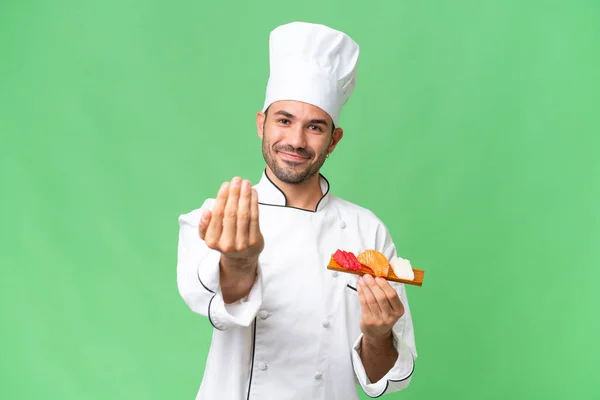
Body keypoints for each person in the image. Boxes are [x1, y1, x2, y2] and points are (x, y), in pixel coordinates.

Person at [176, 21, 418, 400]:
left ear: (334, 140)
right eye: (284, 120)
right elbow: (219, 305)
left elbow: (381, 377)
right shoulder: (219, 218)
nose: (296, 140)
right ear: (262, 124)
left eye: (315, 127)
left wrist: (377, 334)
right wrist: (239, 261)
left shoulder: (367, 231)